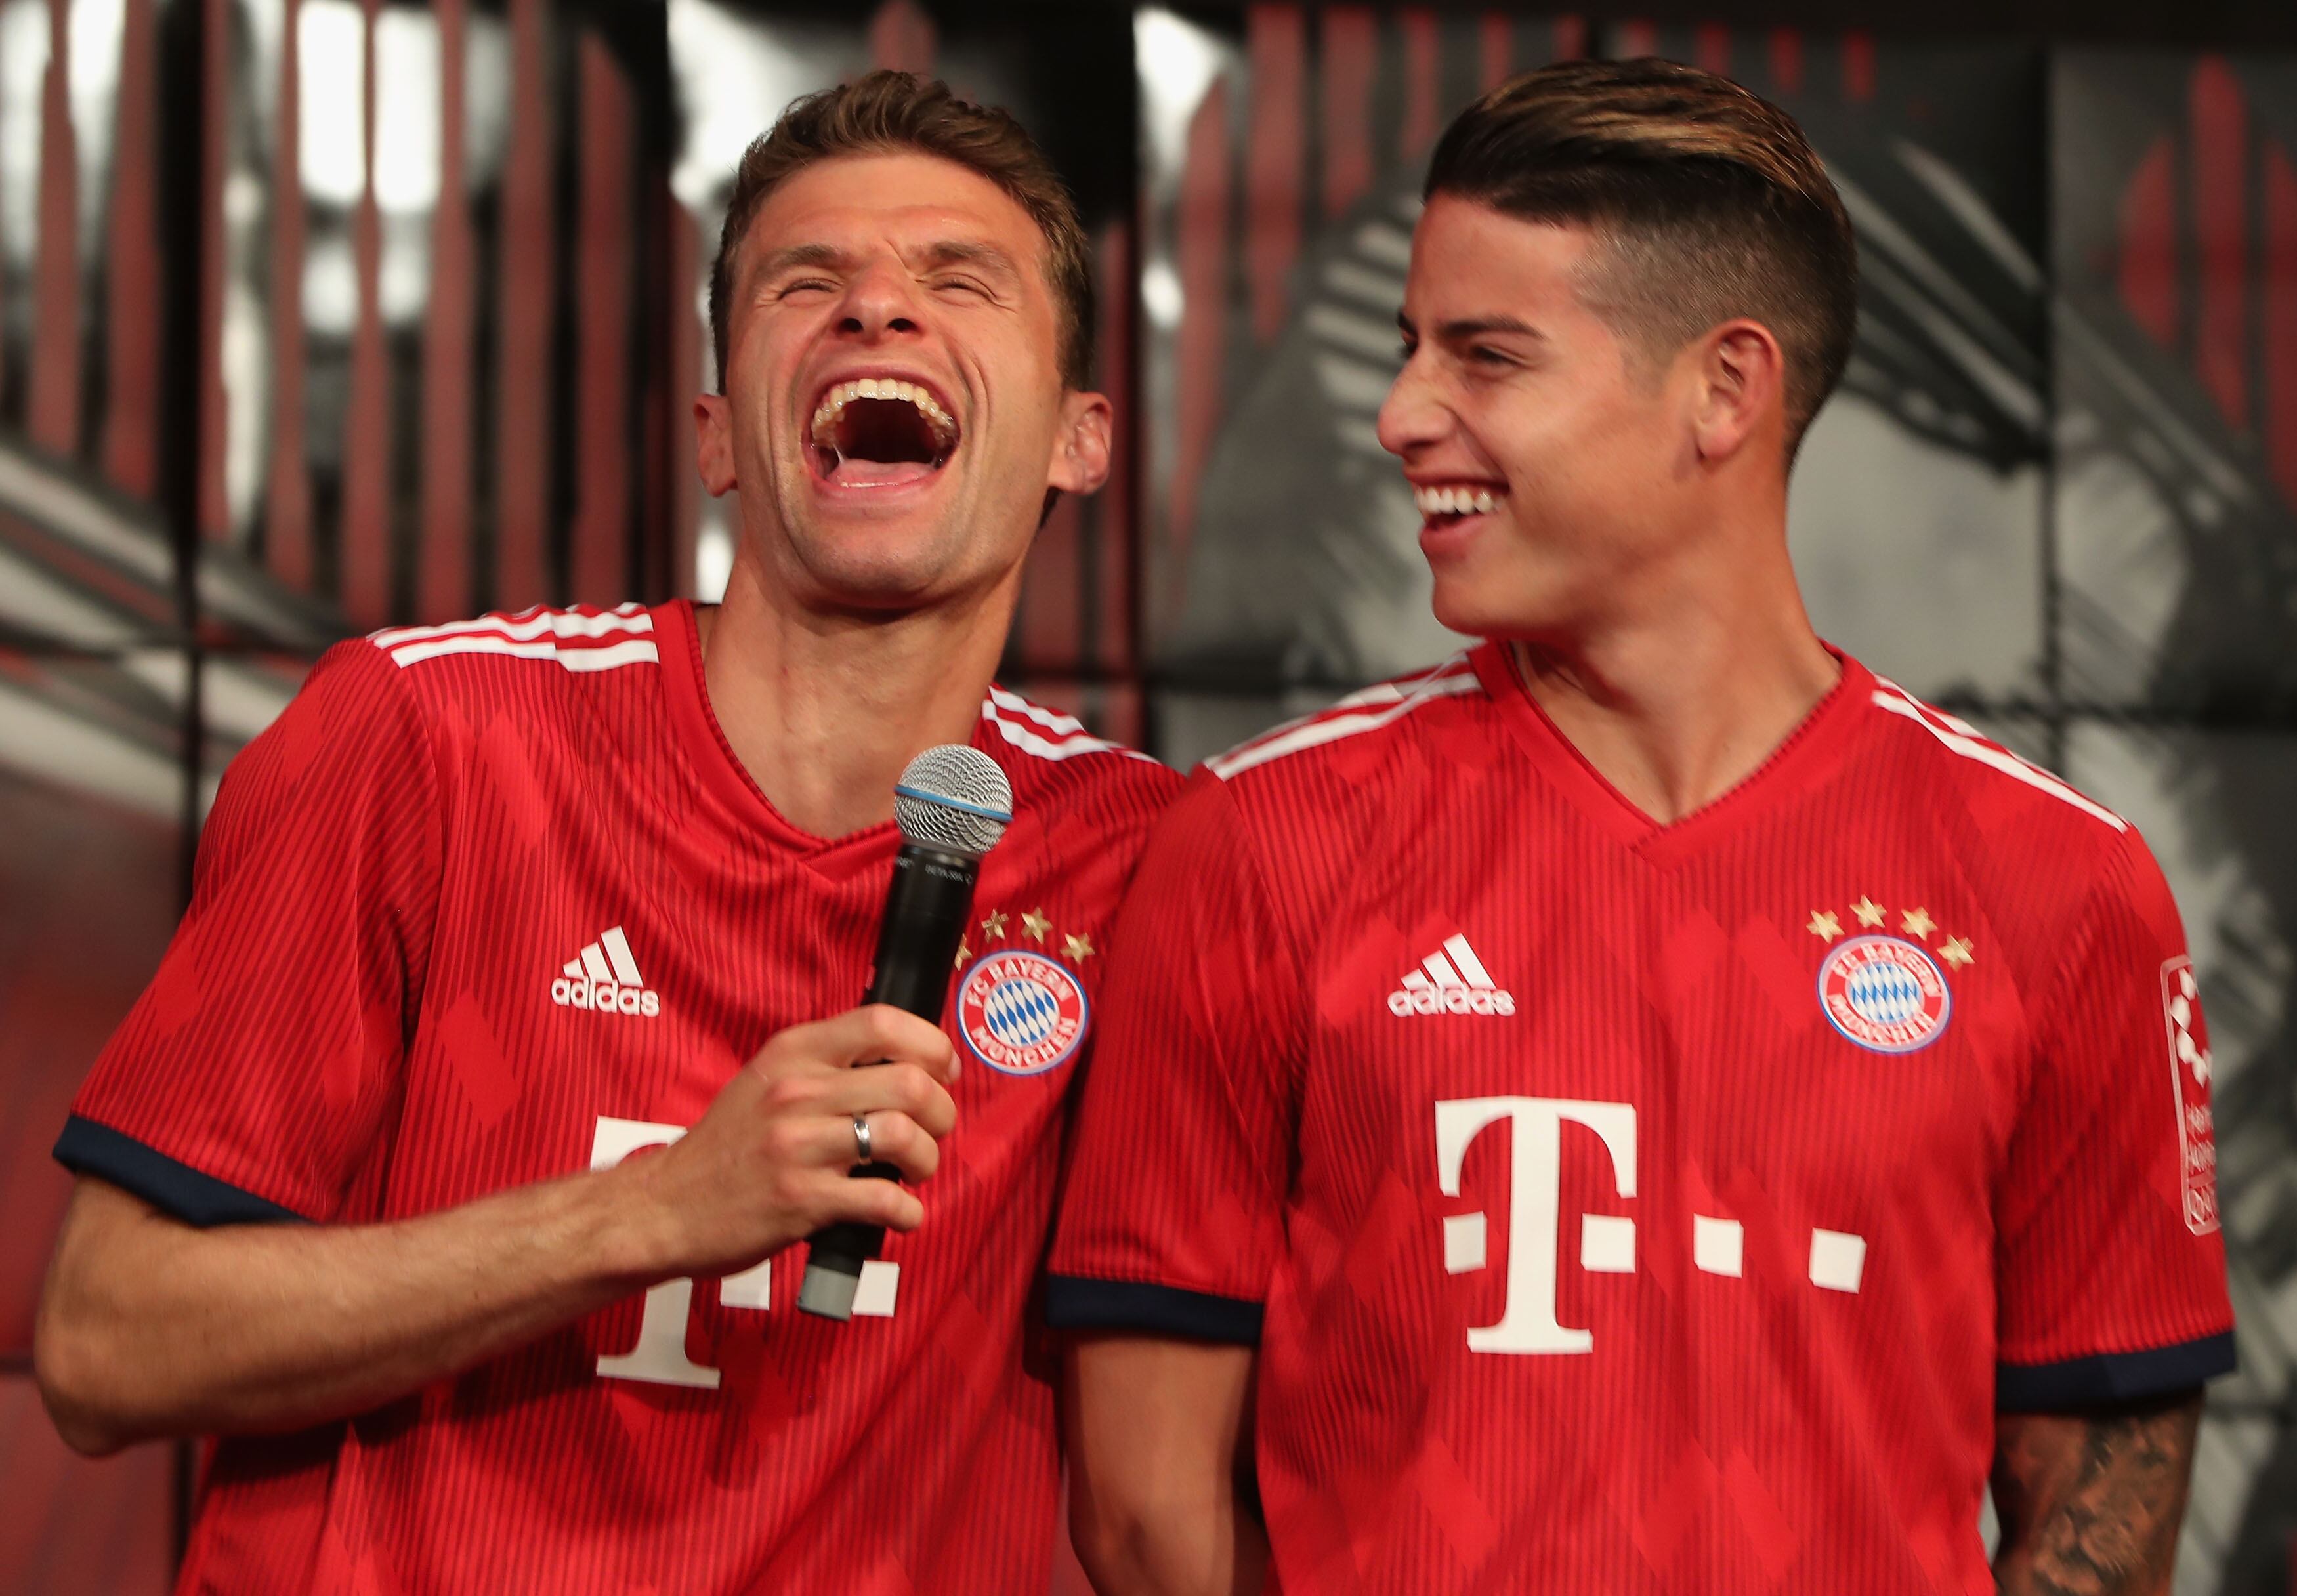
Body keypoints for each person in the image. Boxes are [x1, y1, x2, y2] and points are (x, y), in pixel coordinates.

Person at [1049, 58, 2233, 1595]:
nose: (1403, 413)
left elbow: (2107, 1497)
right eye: (1413, 349)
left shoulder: (2063, 884)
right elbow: (1148, 1514)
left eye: (1486, 355)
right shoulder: (1262, 845)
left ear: (1724, 390)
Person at [35, 71, 1175, 1594]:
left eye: (955, 280)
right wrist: (654, 1211)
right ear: (716, 436)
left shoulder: (1148, 858)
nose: (878, 312)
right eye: (808, 280)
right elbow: (109, 1339)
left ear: (1079, 440)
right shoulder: (428, 735)